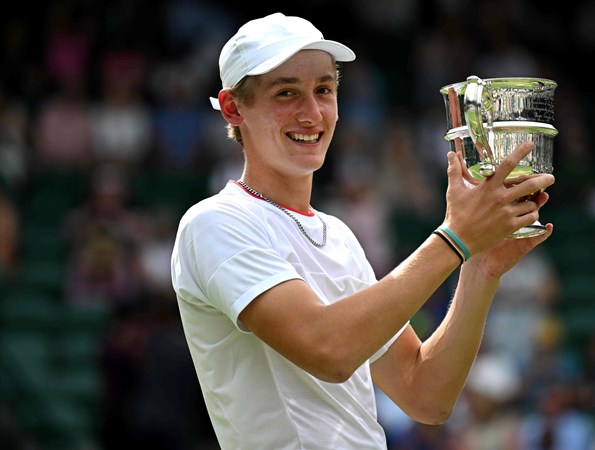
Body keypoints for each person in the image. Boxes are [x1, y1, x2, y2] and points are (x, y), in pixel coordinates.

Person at [170, 12, 555, 449]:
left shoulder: (339, 235)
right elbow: (329, 350)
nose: (312, 113)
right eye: (286, 93)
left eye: (324, 90)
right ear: (233, 108)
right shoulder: (214, 223)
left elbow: (426, 395)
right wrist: (456, 238)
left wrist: (480, 265)